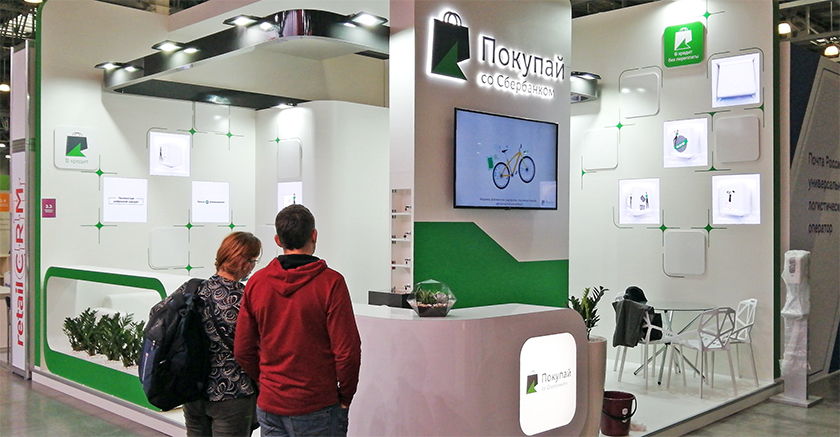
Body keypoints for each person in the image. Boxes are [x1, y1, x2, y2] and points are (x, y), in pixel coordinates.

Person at [234, 204, 362, 437]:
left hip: (271, 404)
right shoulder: (331, 283)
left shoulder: (257, 282)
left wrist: (266, 381)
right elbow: (347, 351)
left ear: (277, 240)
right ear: (314, 235)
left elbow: (243, 349)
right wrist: (346, 396)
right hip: (317, 403)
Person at [180, 231, 261, 437]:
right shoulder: (244, 299)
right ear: (245, 264)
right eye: (253, 261)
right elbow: (252, 348)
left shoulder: (192, 289)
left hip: (193, 388)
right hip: (232, 392)